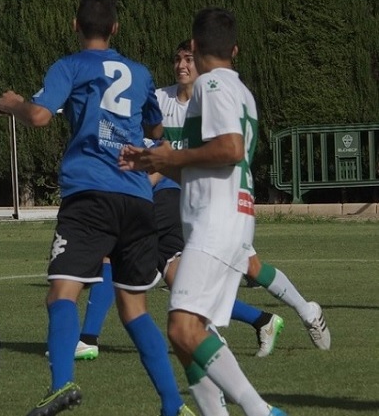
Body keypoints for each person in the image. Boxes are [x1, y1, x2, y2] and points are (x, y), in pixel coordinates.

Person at [0, 0, 194, 416]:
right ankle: (173, 404)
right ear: (116, 29)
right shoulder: (139, 73)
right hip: (139, 197)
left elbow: (40, 116)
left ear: (75, 26)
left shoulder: (70, 65)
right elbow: (157, 132)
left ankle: (60, 384)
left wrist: (14, 104)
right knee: (135, 306)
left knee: (61, 293)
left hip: (90, 193)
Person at [120, 7, 287, 416]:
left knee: (182, 327)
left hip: (217, 217)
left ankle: (260, 411)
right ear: (235, 49)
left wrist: (170, 161)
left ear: (193, 48)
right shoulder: (240, 89)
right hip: (230, 216)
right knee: (188, 334)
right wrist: (162, 157)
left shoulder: (210, 86)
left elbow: (228, 149)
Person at [76, 41, 287, 360]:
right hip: (169, 198)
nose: (181, 65)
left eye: (188, 58)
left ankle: (89, 339)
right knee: (177, 276)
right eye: (176, 59)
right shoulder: (159, 100)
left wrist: (143, 181)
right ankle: (261, 319)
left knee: (118, 256)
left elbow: (173, 159)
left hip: (174, 197)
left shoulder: (209, 100)